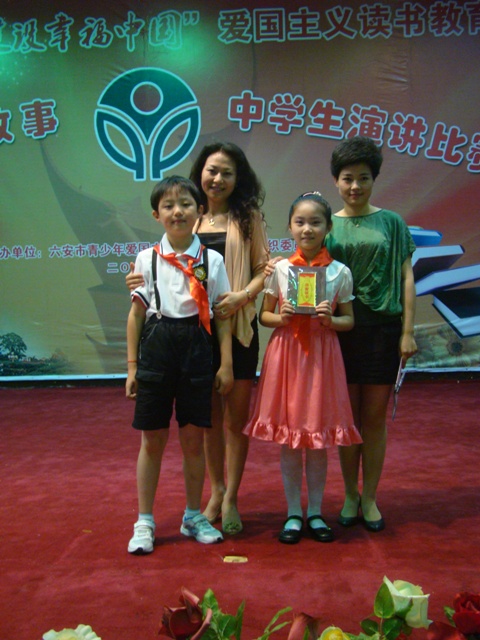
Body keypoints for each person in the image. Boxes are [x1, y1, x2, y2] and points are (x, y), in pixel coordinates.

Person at [126, 142, 270, 535]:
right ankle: (214, 491)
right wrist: (137, 281)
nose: (218, 178)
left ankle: (231, 496)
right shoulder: (187, 214)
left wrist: (241, 297)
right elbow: (158, 274)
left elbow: (264, 268)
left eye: (227, 172)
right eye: (212, 170)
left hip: (236, 327)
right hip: (195, 337)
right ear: (199, 174)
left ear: (238, 178)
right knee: (206, 421)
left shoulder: (247, 218)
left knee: (235, 419)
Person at [244, 192, 362, 544]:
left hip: (323, 358)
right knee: (292, 440)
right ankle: (294, 512)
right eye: (300, 222)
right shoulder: (279, 269)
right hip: (288, 356)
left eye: (315, 222)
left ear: (328, 227)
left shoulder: (339, 272)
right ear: (290, 226)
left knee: (318, 439)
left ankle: (316, 513)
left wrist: (331, 320)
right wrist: (279, 317)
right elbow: (264, 316)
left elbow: (349, 321)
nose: (307, 229)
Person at [126, 175, 233, 555]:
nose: (178, 212)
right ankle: (144, 521)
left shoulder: (212, 260)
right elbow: (136, 316)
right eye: (168, 206)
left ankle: (192, 515)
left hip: (197, 348)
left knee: (193, 440)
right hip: (157, 348)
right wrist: (132, 366)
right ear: (156, 214)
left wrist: (225, 364)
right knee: (152, 439)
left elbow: (222, 315)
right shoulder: (146, 259)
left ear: (199, 210)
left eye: (185, 204)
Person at [326, 136, 417, 532]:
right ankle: (350, 494)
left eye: (363, 178)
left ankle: (371, 497)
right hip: (340, 331)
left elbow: (407, 278)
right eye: (347, 178)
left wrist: (407, 331)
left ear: (374, 179)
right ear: (336, 181)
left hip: (383, 330)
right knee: (348, 420)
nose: (355, 186)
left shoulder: (392, 222)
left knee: (374, 419)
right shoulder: (327, 224)